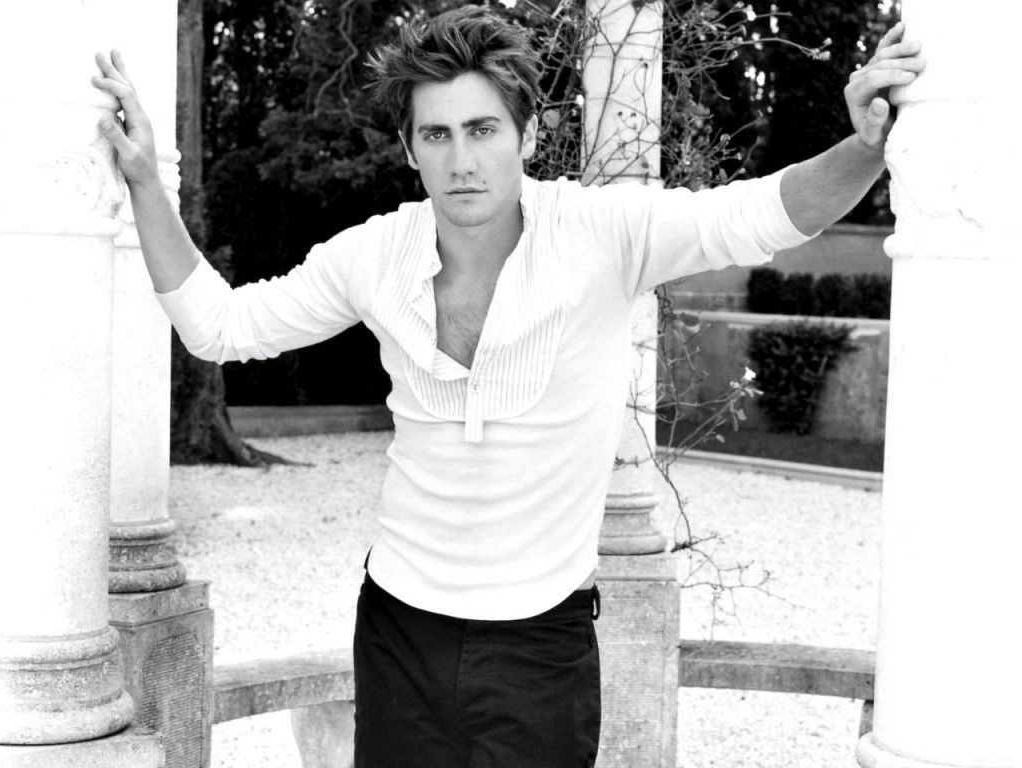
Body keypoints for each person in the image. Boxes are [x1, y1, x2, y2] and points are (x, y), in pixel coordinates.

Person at [91, 6, 923, 767]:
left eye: (483, 129)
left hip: (541, 649)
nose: (462, 161)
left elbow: (762, 214)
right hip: (399, 631)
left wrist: (863, 146)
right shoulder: (373, 254)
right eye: (437, 134)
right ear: (409, 147)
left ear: (526, 135)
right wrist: (145, 183)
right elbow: (219, 327)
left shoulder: (602, 233)